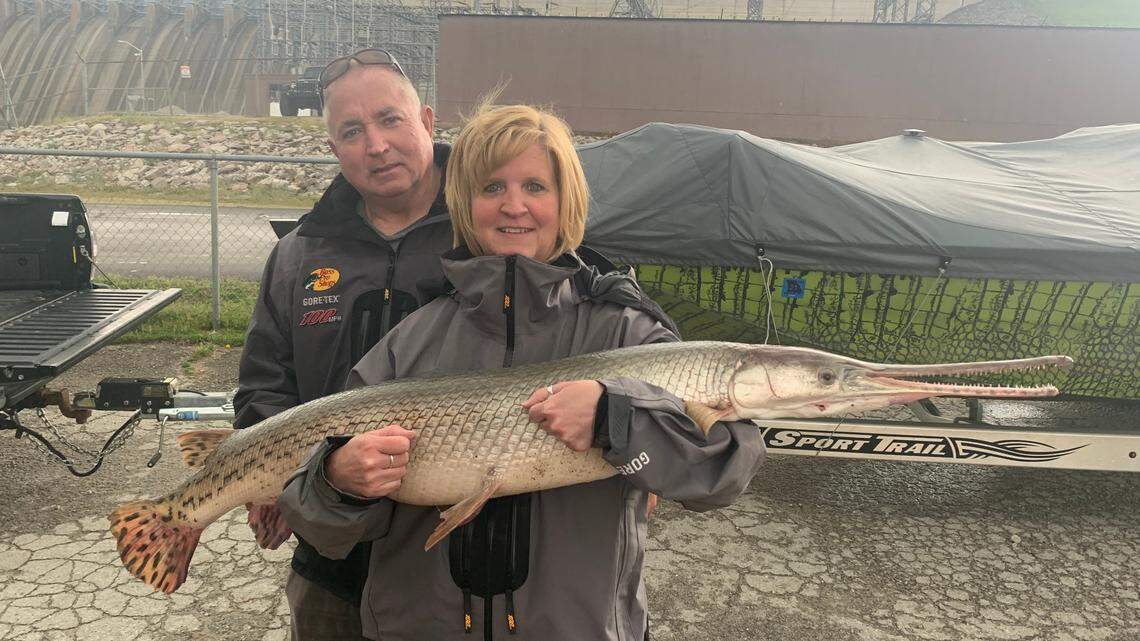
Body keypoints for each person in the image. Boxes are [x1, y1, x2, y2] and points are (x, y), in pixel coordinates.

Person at [277, 103, 765, 641]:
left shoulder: (629, 332)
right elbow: (319, 521)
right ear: (466, 202)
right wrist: (339, 480)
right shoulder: (408, 342)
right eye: (492, 189)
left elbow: (724, 473)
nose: (515, 206)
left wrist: (618, 420)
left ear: (566, 200)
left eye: (536, 186)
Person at [232, 49, 454, 641]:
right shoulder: (298, 255)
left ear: (428, 121)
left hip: (454, 563)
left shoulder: (492, 231)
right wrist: (283, 478)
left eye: (390, 120)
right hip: (330, 561)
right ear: (334, 150)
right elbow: (263, 385)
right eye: (352, 131)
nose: (376, 145)